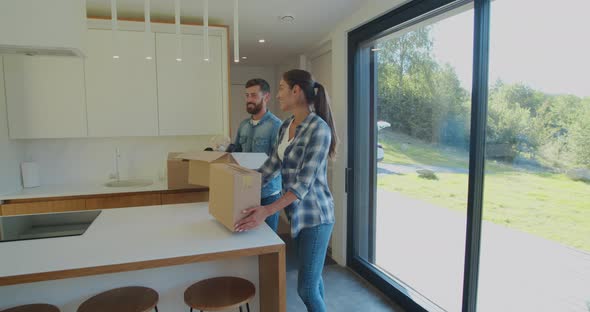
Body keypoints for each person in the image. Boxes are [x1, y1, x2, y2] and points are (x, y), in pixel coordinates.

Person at [235, 69, 337, 312]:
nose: (278, 94)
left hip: (316, 217)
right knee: (314, 279)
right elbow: (271, 166)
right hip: (296, 215)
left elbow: (303, 183)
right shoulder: (287, 125)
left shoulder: (319, 129)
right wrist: (238, 186)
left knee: (306, 288)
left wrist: (266, 210)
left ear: (296, 90)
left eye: (281, 88)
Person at [232, 78, 282, 232]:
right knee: (247, 237)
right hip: (245, 190)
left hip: (268, 194)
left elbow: (279, 162)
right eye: (246, 95)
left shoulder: (277, 126)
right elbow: (237, 153)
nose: (248, 100)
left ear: (266, 97)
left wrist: (256, 181)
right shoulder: (243, 125)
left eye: (253, 95)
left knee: (268, 240)